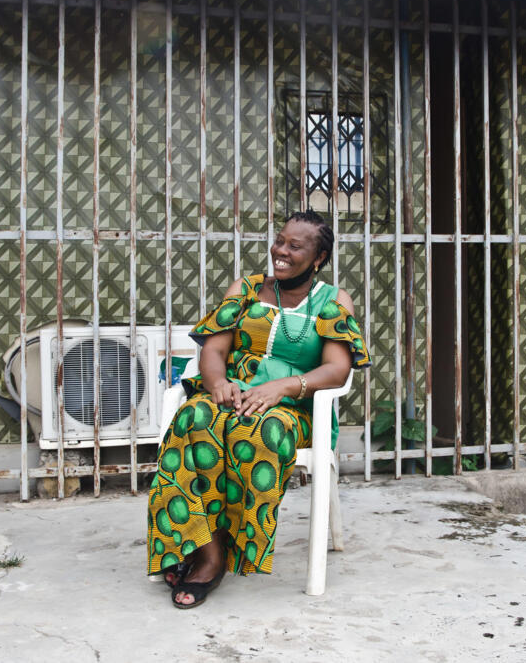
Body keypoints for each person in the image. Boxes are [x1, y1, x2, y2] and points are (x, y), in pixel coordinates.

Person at [146, 210, 372, 608]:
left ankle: (222, 548)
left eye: (294, 246)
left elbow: (337, 370)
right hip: (232, 394)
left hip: (292, 409)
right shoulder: (246, 289)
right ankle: (208, 552)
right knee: (194, 418)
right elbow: (214, 350)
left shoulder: (333, 301)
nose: (280, 251)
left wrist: (281, 387)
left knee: (258, 430)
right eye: (280, 241)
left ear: (318, 258)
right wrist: (219, 383)